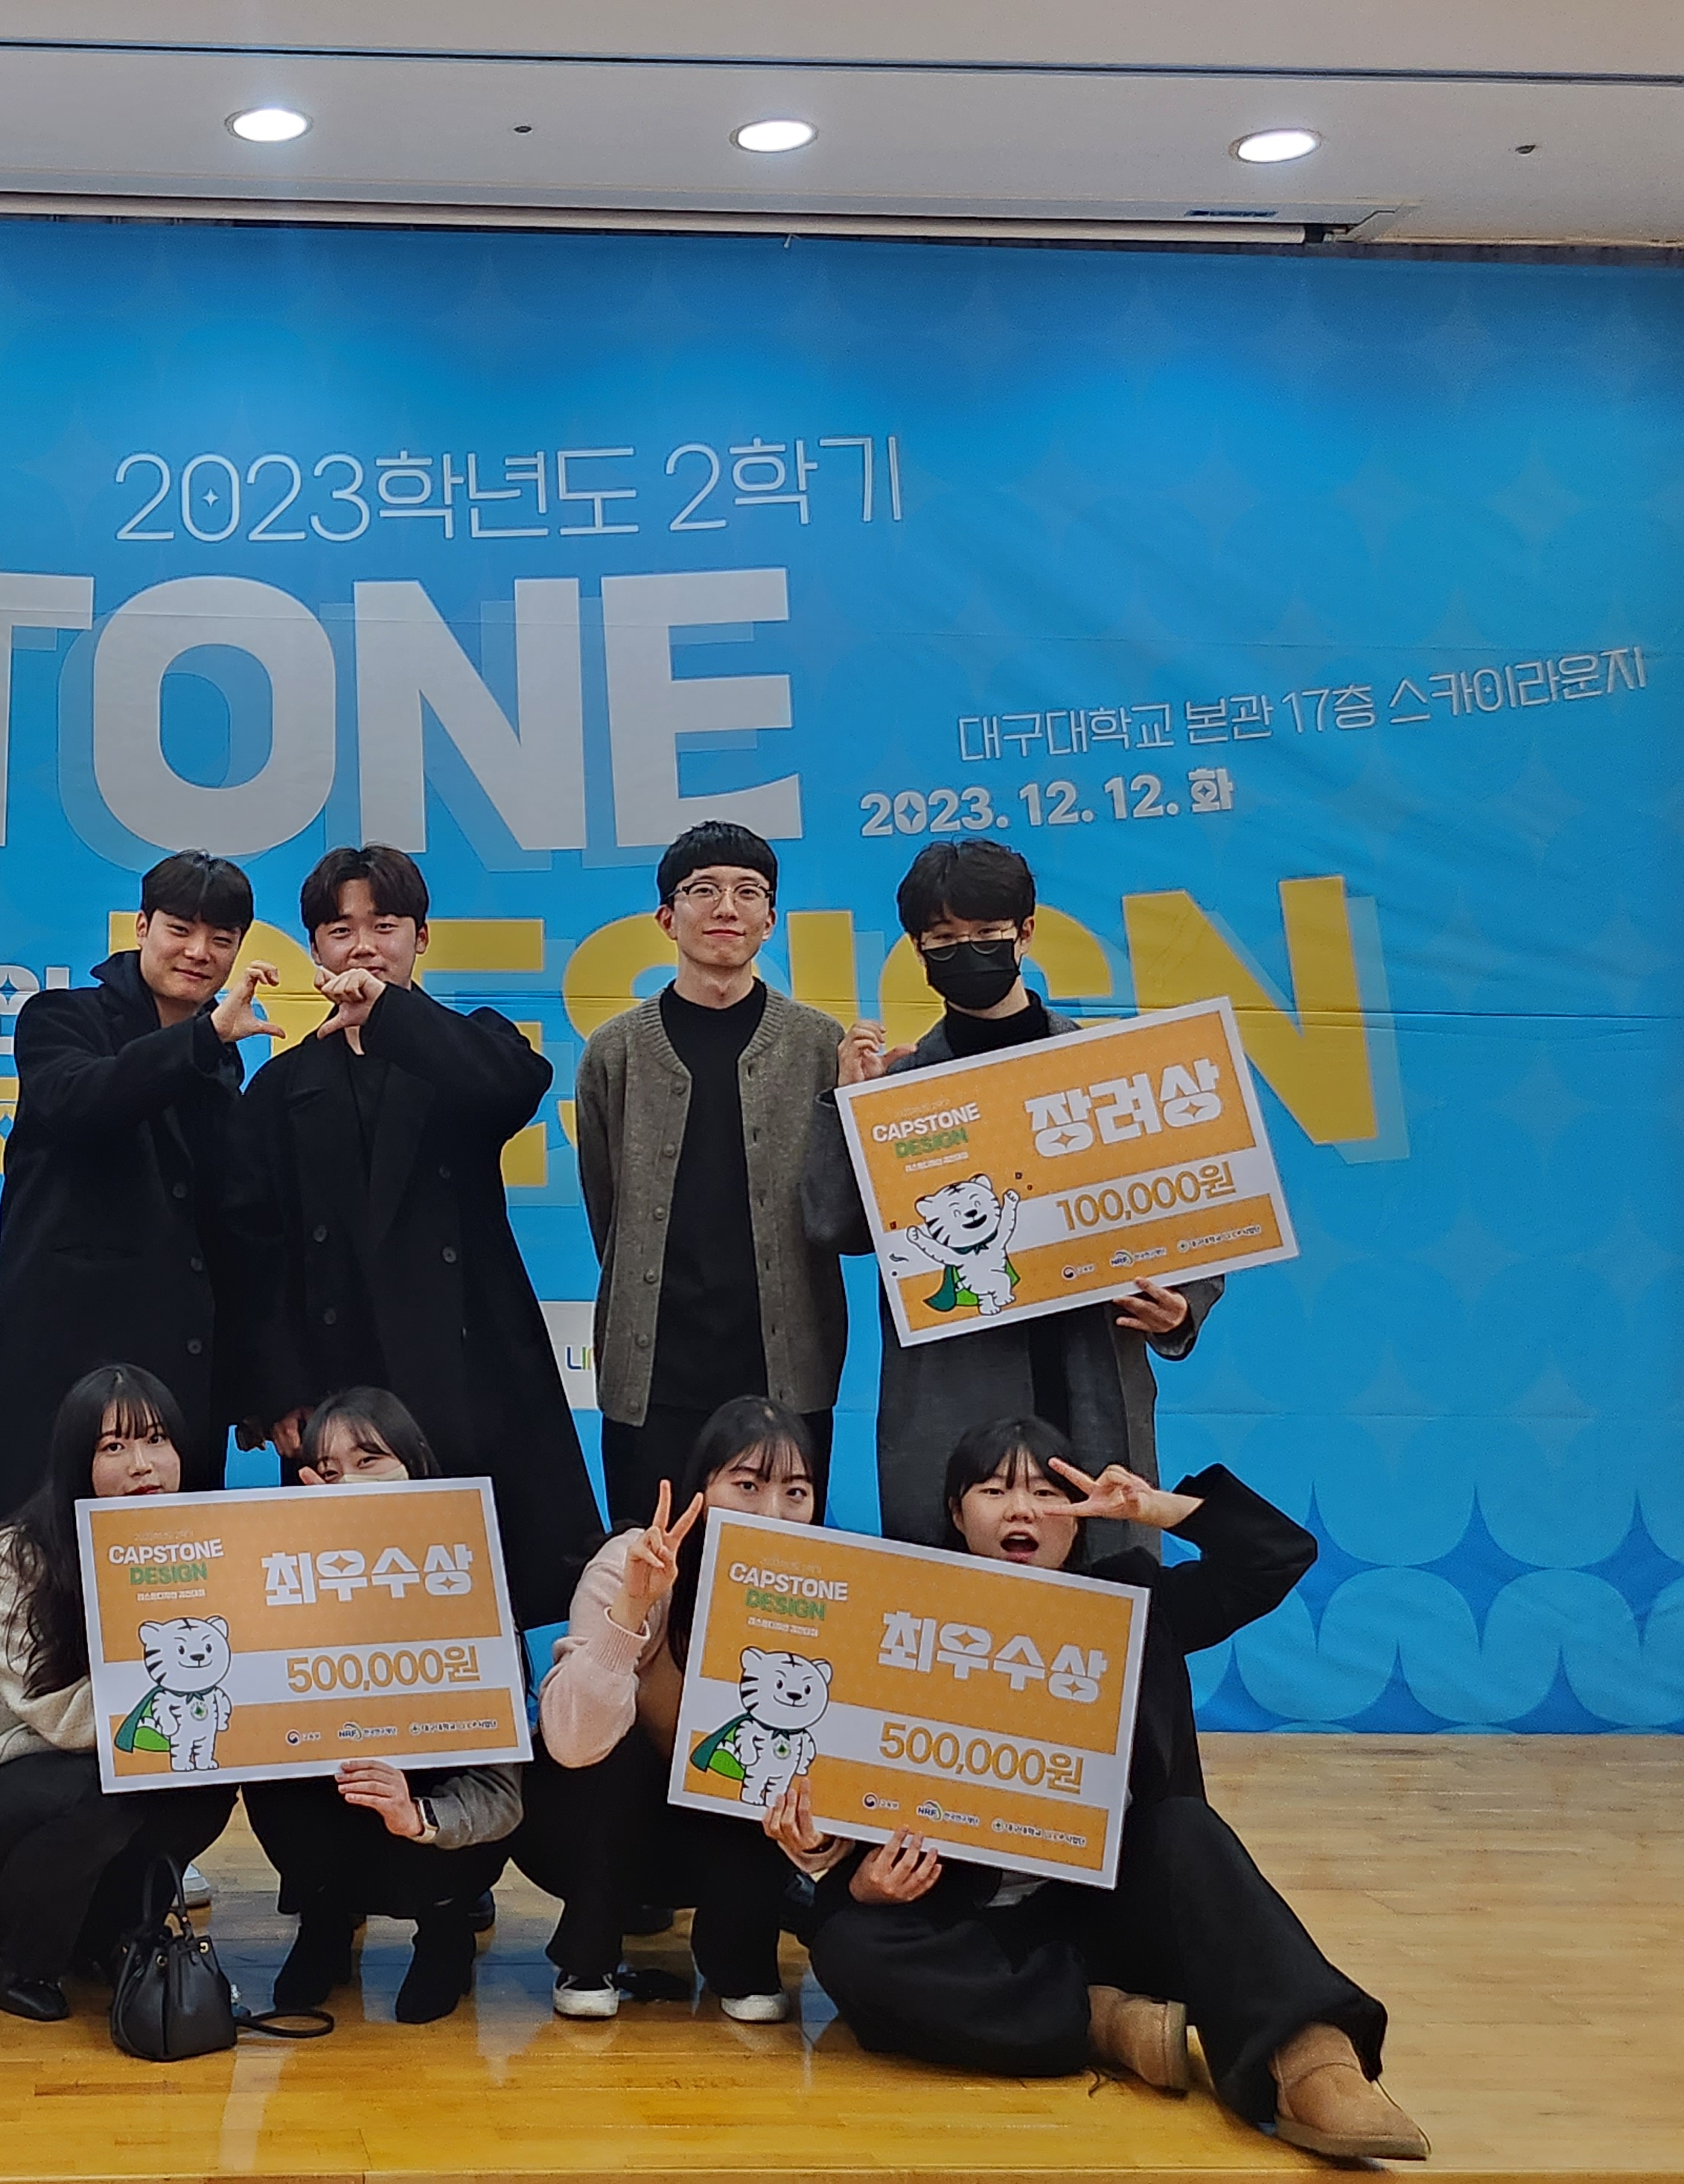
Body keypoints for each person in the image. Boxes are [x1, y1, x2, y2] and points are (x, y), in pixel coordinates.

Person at [789, 1422, 1428, 2162]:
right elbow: (842, 1843)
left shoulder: (1133, 1599)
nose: (1020, 1510)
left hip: (1109, 1912)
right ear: (957, 1513)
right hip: (963, 1928)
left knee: (1187, 1830)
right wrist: (863, 1886)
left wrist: (1158, 1510)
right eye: (993, 1491)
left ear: (1079, 1518)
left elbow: (1276, 1557)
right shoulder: (897, 1618)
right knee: (848, 1947)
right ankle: (1098, 2022)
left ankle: (1315, 2060)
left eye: (1045, 1492)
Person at [226, 845, 604, 1628]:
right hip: (336, 1383)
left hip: (466, 1370)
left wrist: (391, 1016)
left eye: (385, 926)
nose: (363, 947)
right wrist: (277, 1389)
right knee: (345, 1606)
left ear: (420, 938)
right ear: (313, 948)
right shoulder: (280, 1086)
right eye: (340, 931)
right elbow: (254, 1252)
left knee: (483, 1592)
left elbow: (515, 1086)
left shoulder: (469, 1047)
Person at [802, 840, 1213, 1548]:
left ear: (1025, 933)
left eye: (987, 933)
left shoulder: (1109, 1072)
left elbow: (1191, 1210)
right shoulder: (897, 1091)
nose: (967, 951)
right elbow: (833, 1225)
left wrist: (1182, 1307)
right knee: (956, 1604)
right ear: (918, 950)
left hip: (1088, 1388)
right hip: (952, 1401)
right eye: (943, 940)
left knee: (1108, 1588)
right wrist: (848, 1107)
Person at [0, 853, 278, 1655]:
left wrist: (251, 1383)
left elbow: (227, 1228)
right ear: (140, 928)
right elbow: (78, 1101)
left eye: (221, 939)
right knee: (28, 1576)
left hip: (176, 1370)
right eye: (180, 929)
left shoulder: (223, 1056)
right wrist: (202, 1039)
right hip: (61, 1361)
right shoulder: (61, 1016)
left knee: (165, 1597)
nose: (198, 952)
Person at [0, 1366, 237, 2022]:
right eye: (114, 1446)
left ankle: (113, 1934)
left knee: (205, 1782)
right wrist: (172, 1723)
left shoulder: (207, 1546)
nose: (142, 1464)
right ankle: (12, 1951)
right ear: (75, 1459)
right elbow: (53, 1712)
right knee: (108, 1785)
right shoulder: (16, 1554)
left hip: (97, 1770)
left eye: (157, 1440)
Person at [573, 823, 850, 1529]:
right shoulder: (614, 1053)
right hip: (655, 1374)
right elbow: (608, 1207)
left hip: (785, 1368)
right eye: (703, 891)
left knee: (778, 1575)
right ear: (667, 918)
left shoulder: (822, 1046)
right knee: (650, 1560)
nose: (726, 908)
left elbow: (842, 1209)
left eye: (747, 892)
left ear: (770, 919)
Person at [509, 1396, 823, 2021]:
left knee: (768, 1750)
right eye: (747, 1485)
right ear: (700, 1488)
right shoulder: (634, 1559)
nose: (772, 1511)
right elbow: (572, 1742)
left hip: (715, 1835)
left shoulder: (825, 1587)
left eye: (795, 1492)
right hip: (586, 1823)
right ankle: (587, 1954)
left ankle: (741, 1961)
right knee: (621, 1743)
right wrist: (631, 1612)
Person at [242, 1389, 522, 2025]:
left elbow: (501, 1797)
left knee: (439, 1791)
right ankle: (324, 1924)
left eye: (369, 1461)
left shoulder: (473, 1584)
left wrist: (418, 1816)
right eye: (329, 1471)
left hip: (433, 1822)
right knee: (267, 1759)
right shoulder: (276, 1594)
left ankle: (446, 1929)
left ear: (416, 1465)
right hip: (332, 1814)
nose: (349, 1483)